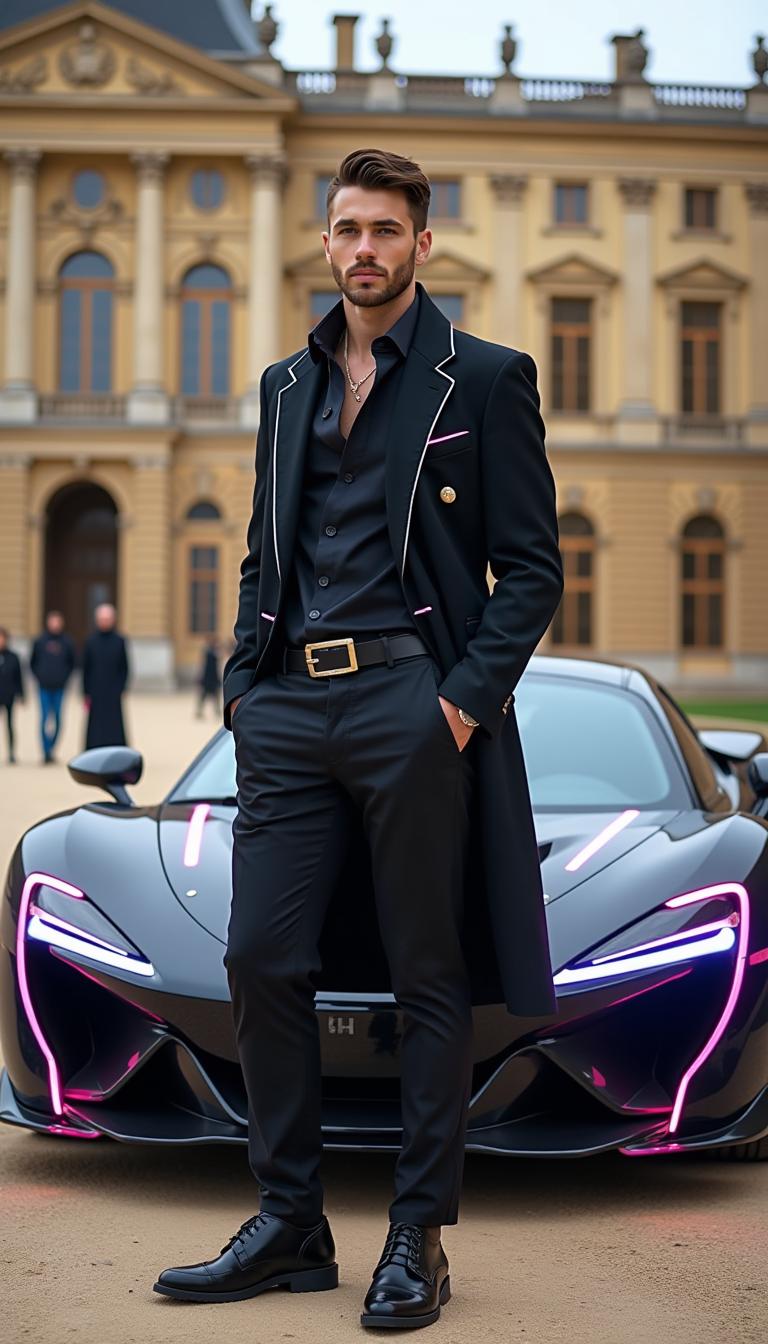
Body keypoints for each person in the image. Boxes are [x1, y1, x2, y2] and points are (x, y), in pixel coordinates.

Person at [154, 147, 564, 1327]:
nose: (366, 250)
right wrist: (245, 684)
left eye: (387, 230)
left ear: (421, 245)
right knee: (259, 960)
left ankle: (417, 1237)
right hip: (288, 708)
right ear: (325, 243)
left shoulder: (482, 380)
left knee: (427, 975)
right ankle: (290, 1220)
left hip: (409, 702)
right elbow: (262, 549)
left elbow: (531, 569)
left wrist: (459, 701)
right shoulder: (286, 386)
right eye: (348, 230)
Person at [29, 609, 77, 764]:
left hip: (59, 687)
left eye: (57, 622)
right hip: (44, 686)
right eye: (52, 621)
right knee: (44, 719)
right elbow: (32, 663)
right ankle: (45, 751)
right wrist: (39, 677)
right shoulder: (40, 641)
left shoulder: (67, 642)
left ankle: (52, 747)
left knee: (57, 719)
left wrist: (65, 678)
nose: (55, 625)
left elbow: (73, 663)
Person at [81, 602, 129, 748]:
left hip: (113, 691)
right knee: (95, 726)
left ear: (113, 620)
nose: (105, 622)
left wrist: (121, 688)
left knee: (114, 725)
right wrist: (85, 691)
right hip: (95, 690)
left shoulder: (119, 641)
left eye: (107, 619)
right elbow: (86, 669)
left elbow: (125, 667)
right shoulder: (91, 641)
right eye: (102, 619)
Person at [0, 626, 25, 764]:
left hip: (8, 695)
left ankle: (11, 753)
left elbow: (19, 677)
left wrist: (22, 695)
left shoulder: (13, 657)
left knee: (9, 725)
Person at [195, 636, 221, 717]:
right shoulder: (210, 653)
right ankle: (201, 711)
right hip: (209, 678)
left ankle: (215, 711)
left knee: (210, 696)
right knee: (207, 695)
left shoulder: (210, 652)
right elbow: (209, 667)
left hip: (210, 678)